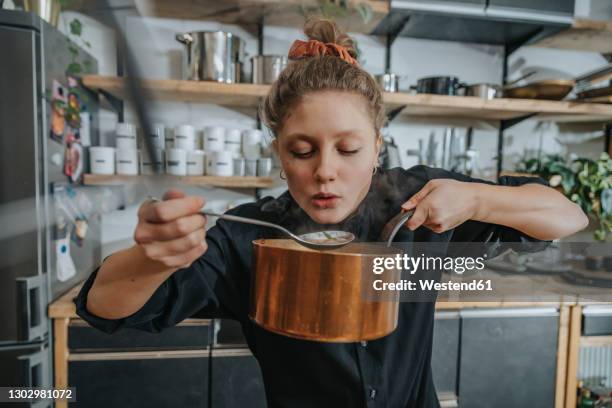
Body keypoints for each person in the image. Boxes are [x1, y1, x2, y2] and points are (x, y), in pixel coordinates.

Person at [75, 18, 588, 407]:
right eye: (302, 151)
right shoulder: (248, 235)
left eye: (348, 149)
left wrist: (477, 198)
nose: (325, 172)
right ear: (279, 153)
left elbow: (568, 218)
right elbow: (104, 307)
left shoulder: (420, 202)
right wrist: (156, 258)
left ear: (378, 145)